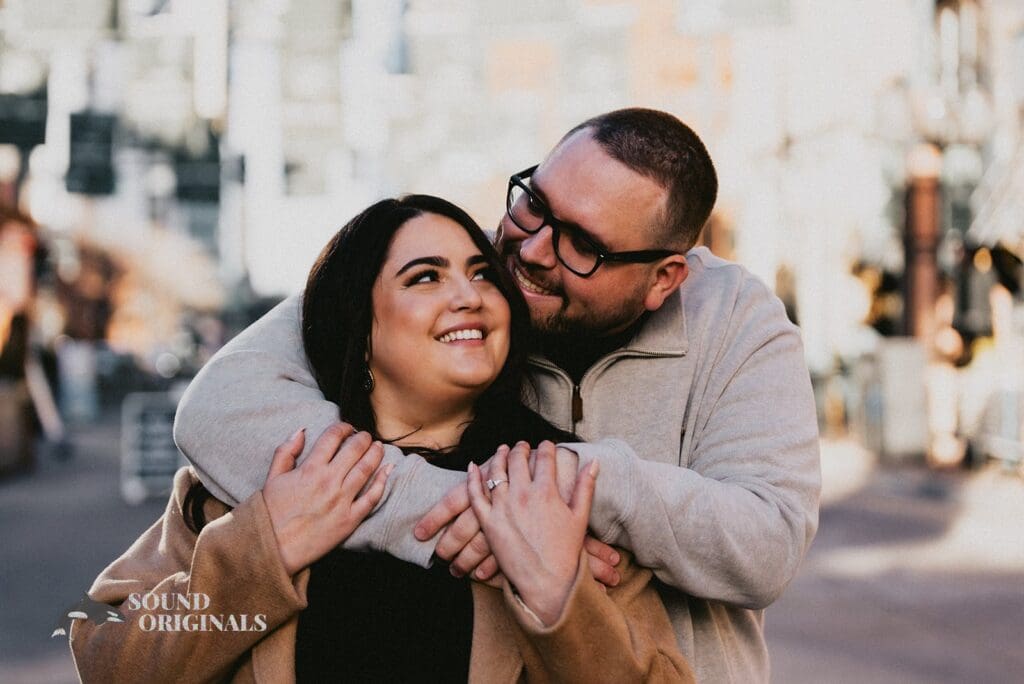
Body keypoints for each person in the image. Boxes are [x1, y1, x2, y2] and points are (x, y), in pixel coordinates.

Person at [174, 108, 821, 682]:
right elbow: (221, 408)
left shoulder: (737, 320)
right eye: (534, 203)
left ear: (663, 279)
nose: (533, 249)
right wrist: (468, 505)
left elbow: (766, 544)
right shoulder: (457, 272)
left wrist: (568, 478)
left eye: (584, 246)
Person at [70, 196, 694, 682]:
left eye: (481, 274)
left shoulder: (557, 486)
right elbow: (106, 655)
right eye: (425, 277)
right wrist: (265, 551)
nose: (467, 296)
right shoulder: (266, 473)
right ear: (360, 326)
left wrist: (561, 598)